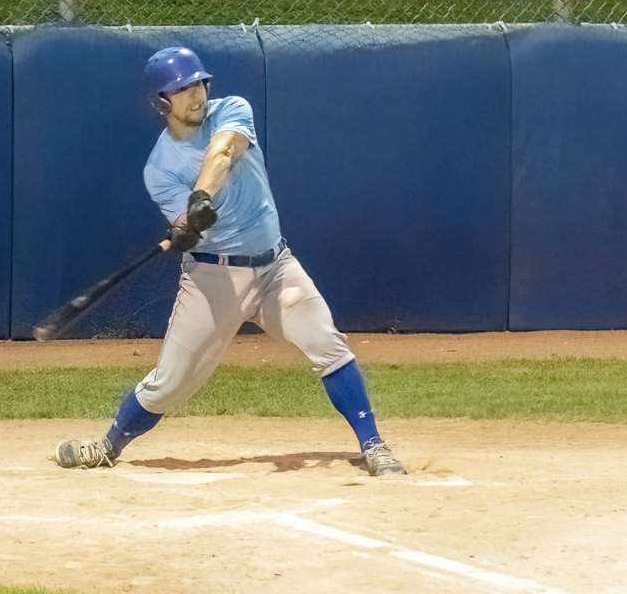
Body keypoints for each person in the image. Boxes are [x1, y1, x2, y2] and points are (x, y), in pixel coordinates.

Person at [53, 47, 405, 476]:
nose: (195, 94)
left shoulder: (232, 110)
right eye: (181, 89)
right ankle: (107, 445)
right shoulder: (159, 169)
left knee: (327, 344)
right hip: (213, 279)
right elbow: (187, 223)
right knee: (170, 384)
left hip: (276, 267)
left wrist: (201, 196)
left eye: (199, 83)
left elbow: (223, 152)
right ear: (161, 102)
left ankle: (373, 444)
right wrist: (187, 228)